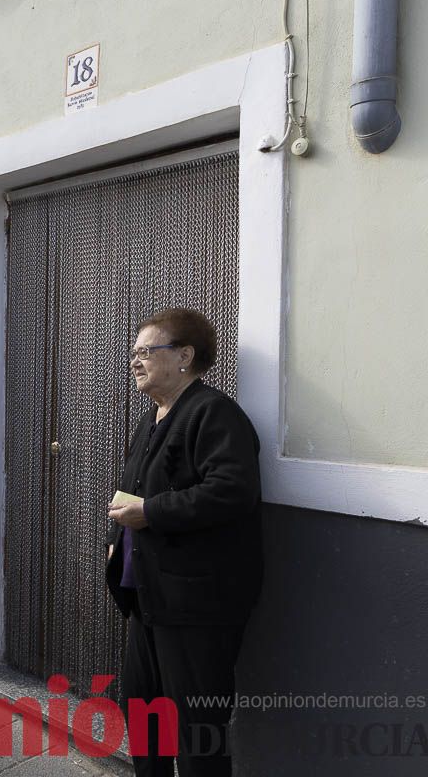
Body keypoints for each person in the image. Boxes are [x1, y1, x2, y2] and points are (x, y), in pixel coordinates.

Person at [105, 308, 263, 777]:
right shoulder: (155, 417)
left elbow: (231, 491)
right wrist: (120, 541)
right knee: (145, 714)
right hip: (150, 600)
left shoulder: (214, 413)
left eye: (146, 351)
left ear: (184, 357)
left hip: (196, 605)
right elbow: (136, 487)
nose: (135, 360)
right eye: (134, 352)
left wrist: (149, 515)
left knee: (196, 731)